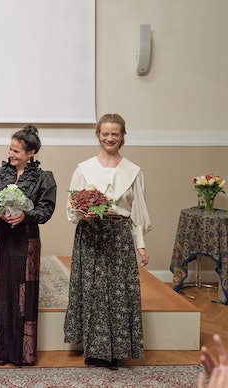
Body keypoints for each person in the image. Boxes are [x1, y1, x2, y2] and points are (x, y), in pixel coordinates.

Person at [64, 113, 151, 370]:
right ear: (98, 135)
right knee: (92, 292)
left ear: (123, 136)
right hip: (91, 235)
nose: (110, 138)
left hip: (119, 237)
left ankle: (117, 351)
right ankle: (94, 350)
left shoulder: (133, 171)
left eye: (115, 133)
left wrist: (141, 244)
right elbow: (72, 208)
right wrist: (83, 212)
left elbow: (137, 213)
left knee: (118, 293)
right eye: (105, 133)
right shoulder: (84, 169)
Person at [0, 124, 57, 367]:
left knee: (25, 293)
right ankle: (1, 349)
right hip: (0, 240)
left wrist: (26, 215)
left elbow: (46, 210)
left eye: (17, 151)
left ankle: (22, 352)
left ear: (31, 152)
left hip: (26, 241)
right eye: (10, 149)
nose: (11, 154)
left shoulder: (44, 178)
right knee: (1, 291)